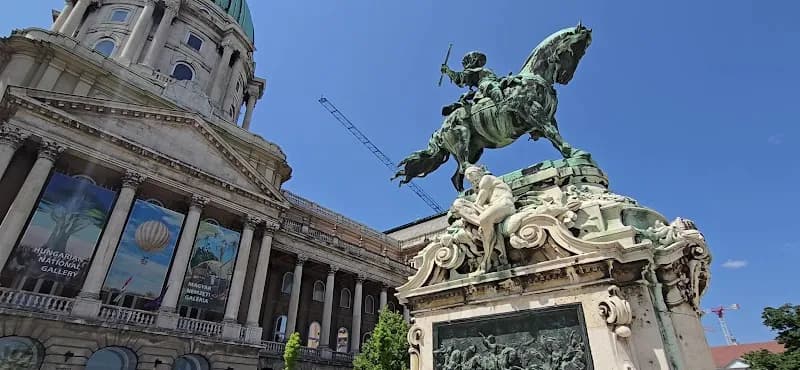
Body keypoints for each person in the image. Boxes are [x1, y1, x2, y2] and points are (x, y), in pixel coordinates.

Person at [464, 165, 516, 272]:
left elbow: (478, 202)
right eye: (472, 181)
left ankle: (487, 260)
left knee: (483, 219)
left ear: (480, 172)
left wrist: (466, 211)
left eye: (475, 179)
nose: (474, 183)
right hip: (494, 207)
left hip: (504, 204)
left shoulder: (486, 178)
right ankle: (483, 226)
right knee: (460, 205)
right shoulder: (483, 183)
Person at [441, 51, 505, 107]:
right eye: (477, 59)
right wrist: (447, 70)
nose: (479, 61)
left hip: (495, 82)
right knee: (490, 86)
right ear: (471, 60)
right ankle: (501, 105)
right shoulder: (470, 71)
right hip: (484, 84)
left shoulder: (484, 69)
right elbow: (458, 78)